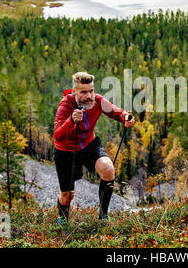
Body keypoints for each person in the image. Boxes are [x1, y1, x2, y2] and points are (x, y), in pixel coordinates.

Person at [53, 71, 135, 223]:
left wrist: (125, 117)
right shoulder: (65, 105)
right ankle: (62, 220)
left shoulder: (97, 100)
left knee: (108, 170)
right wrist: (71, 121)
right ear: (74, 92)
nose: (89, 95)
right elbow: (57, 135)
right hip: (66, 151)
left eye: (91, 90)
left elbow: (114, 111)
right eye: (83, 92)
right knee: (67, 195)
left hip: (88, 145)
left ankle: (103, 216)